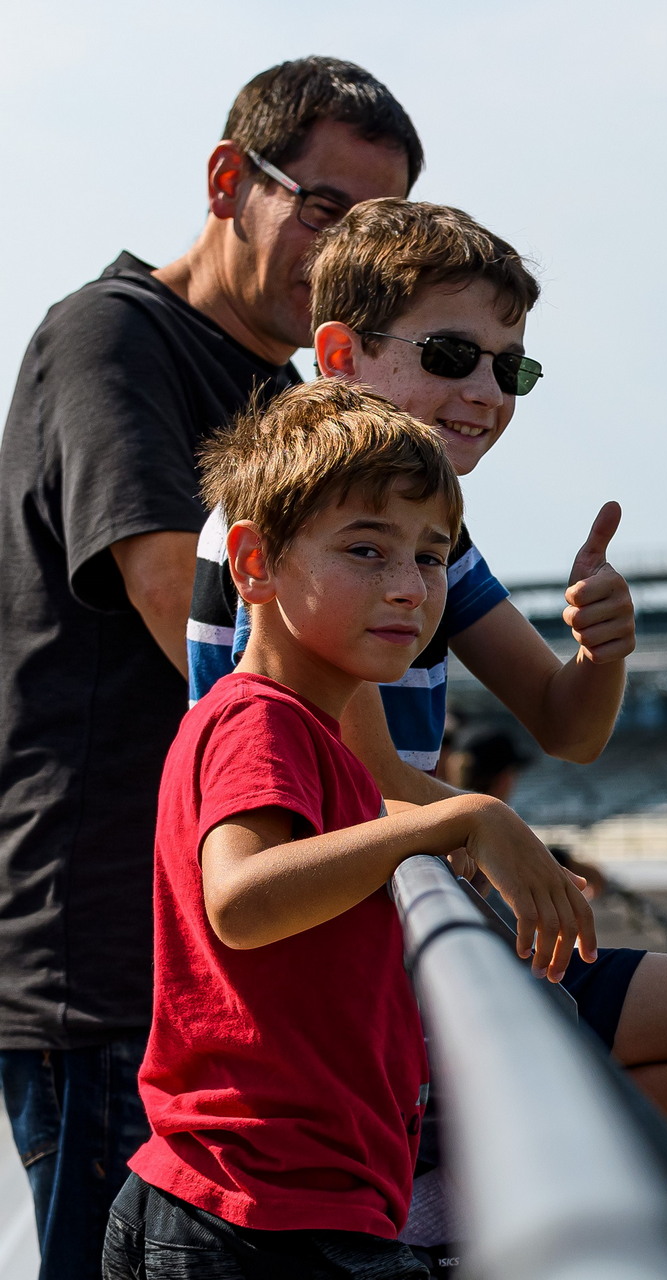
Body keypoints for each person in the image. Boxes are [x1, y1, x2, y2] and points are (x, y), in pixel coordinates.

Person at [186, 198, 667, 1146]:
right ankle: (460, 1172)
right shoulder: (306, 535)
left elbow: (569, 726)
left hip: (383, 934)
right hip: (334, 961)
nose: (487, 391)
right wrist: (492, 831)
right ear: (339, 357)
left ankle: (465, 1170)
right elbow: (367, 788)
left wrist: (601, 648)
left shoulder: (424, 542)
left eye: (511, 367)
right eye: (451, 355)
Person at [0, 57, 419, 1279]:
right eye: (329, 212)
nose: (347, 257)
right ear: (231, 180)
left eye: (378, 233)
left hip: (212, 965)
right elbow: (190, 616)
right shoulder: (111, 336)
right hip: (104, 961)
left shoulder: (280, 390)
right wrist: (419, 813)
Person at [104, 380, 594, 1279]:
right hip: (260, 1214)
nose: (409, 587)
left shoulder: (307, 729)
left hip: (264, 1202)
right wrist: (460, 816)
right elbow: (244, 898)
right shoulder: (262, 722)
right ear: (253, 566)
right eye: (367, 550)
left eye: (432, 556)